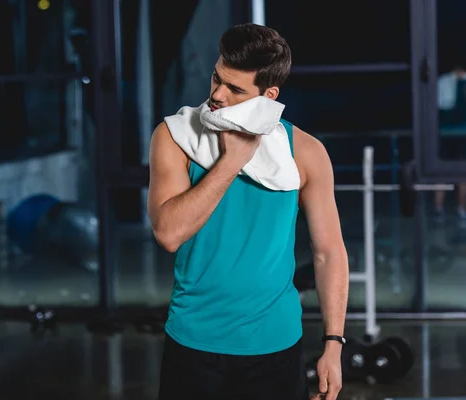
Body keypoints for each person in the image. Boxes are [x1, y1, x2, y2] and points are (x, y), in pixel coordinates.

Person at [147, 24, 349, 400]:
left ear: (268, 94)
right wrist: (229, 163)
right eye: (216, 78)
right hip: (194, 341)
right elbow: (168, 235)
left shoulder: (305, 152)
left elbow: (329, 252)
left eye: (235, 89)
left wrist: (333, 344)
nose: (217, 95)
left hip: (276, 345)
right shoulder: (173, 136)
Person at [435, 61, 466, 221]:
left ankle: (462, 209)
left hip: (464, 135)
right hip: (446, 134)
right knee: (441, 171)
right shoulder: (443, 82)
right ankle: (438, 209)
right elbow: (441, 107)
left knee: (463, 172)